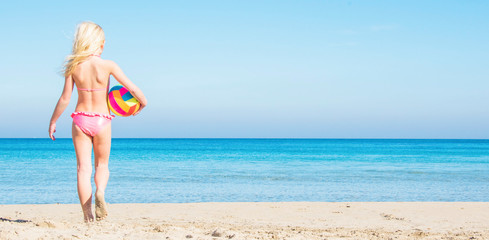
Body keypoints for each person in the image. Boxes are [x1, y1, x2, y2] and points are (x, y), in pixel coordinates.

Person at [48, 22, 147, 222]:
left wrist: (53, 121)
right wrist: (142, 103)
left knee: (82, 169)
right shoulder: (108, 65)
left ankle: (88, 217)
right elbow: (133, 89)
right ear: (100, 44)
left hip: (80, 119)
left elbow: (65, 98)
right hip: (102, 120)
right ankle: (100, 191)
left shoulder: (73, 66)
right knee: (102, 165)